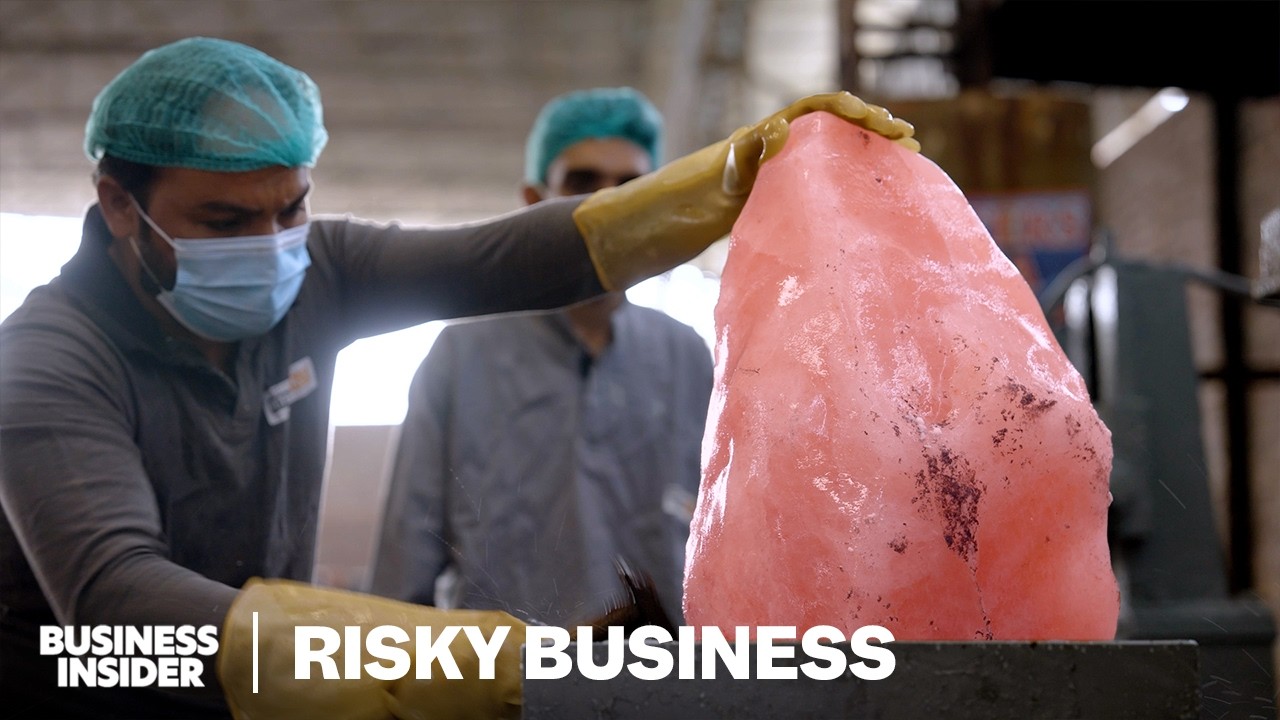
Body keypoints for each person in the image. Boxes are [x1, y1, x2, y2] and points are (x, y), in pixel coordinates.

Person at [0, 36, 917, 720]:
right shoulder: (48, 361)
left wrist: (721, 183)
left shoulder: (316, 272)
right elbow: (117, 604)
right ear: (118, 204)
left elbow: (499, 260)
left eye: (293, 208)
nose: (272, 246)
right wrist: (463, 661)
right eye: (224, 222)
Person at [370, 88, 713, 628]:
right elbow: (405, 561)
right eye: (583, 183)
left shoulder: (686, 357)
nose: (610, 205)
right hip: (505, 674)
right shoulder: (463, 355)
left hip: (661, 671)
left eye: (631, 188)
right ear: (534, 200)